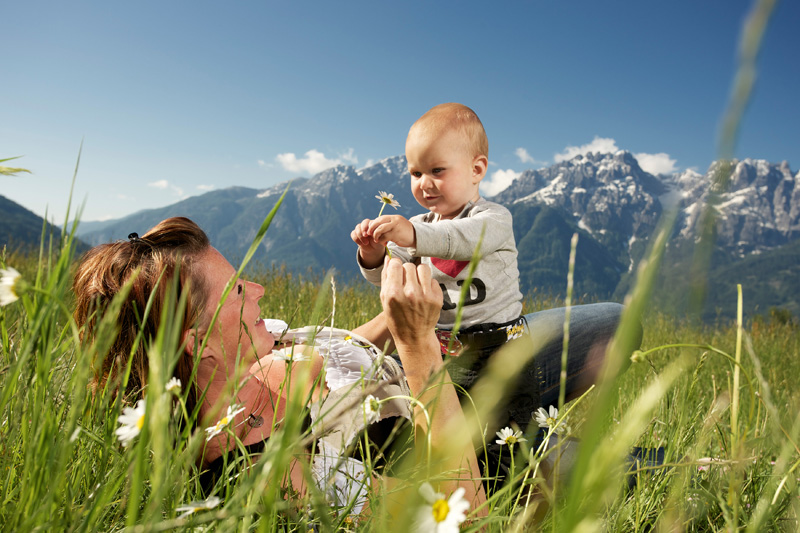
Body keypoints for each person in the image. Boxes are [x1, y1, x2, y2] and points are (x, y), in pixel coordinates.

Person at [73, 217, 638, 516]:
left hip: (447, 374)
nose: (260, 289)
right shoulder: (274, 481)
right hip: (467, 449)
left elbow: (348, 343)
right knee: (665, 472)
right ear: (198, 341)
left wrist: (401, 311)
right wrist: (417, 345)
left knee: (614, 322)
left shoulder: (250, 352)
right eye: (238, 287)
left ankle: (546, 428)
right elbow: (463, 516)